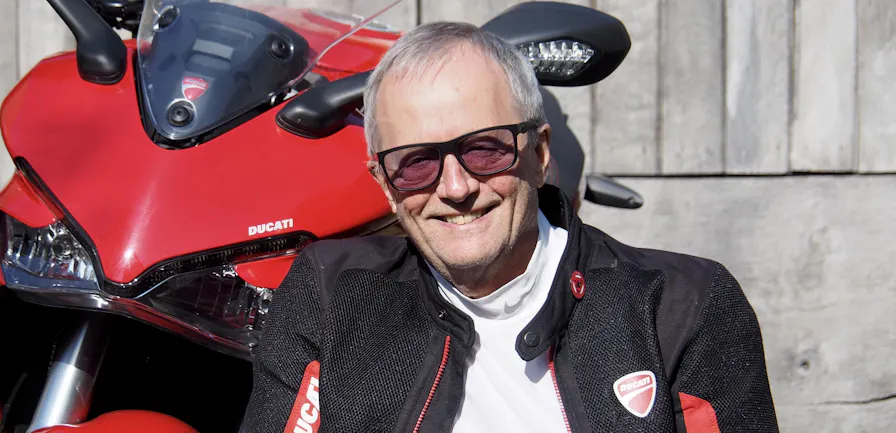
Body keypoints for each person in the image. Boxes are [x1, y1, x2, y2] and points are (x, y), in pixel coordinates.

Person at [243, 21, 778, 433]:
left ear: (539, 154)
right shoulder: (332, 294)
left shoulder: (680, 306)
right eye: (417, 163)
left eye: (484, 149)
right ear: (385, 183)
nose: (456, 188)